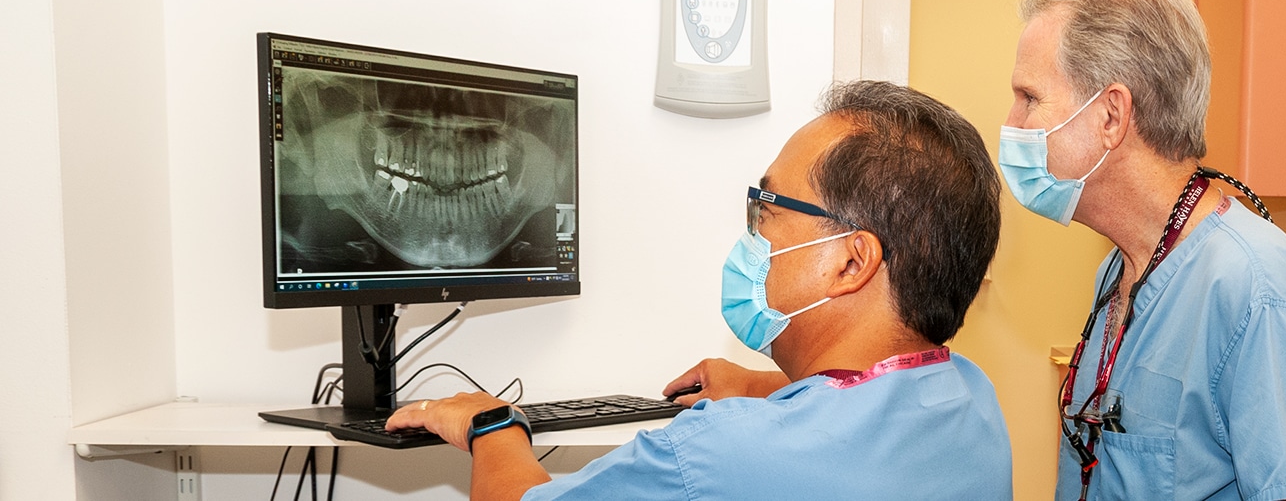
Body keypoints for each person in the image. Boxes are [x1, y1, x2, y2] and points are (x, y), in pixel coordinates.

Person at [386, 80, 1014, 500]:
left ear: (851, 263)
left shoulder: (719, 454)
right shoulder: (972, 400)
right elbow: (869, 401)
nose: (753, 231)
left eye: (767, 208)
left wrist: (492, 425)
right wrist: (766, 386)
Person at [1000, 0, 1286, 499]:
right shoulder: (1120, 271)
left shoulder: (1258, 295)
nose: (1012, 122)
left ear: (1111, 115)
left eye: (1029, 98)